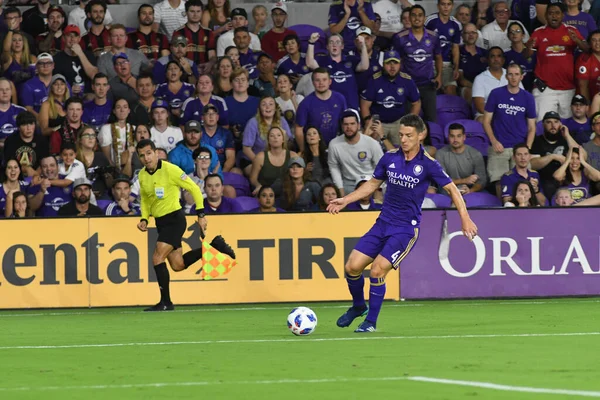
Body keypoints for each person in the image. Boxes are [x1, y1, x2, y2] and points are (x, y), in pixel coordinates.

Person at [327, 114, 477, 333]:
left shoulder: (428, 164)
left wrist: (465, 219)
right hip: (382, 224)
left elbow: (453, 190)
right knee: (352, 267)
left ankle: (370, 322)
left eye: (408, 135)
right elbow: (372, 185)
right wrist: (345, 200)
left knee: (377, 270)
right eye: (400, 135)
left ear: (420, 135)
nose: (403, 139)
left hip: (405, 229)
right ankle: (359, 306)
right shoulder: (389, 158)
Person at [136, 138, 235, 311]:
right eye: (142, 156)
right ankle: (214, 246)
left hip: (174, 219)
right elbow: (145, 199)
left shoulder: (171, 170)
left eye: (149, 153)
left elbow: (195, 189)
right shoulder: (142, 175)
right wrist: (145, 218)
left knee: (157, 258)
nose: (146, 158)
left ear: (156, 153)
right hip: (161, 222)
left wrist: (201, 214)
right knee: (177, 265)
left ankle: (166, 302)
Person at [525, 1, 588, 120]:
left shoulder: (571, 30)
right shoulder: (538, 32)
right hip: (545, 88)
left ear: (563, 15)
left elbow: (587, 49)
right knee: (543, 124)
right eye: (550, 13)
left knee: (568, 126)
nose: (554, 16)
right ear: (546, 16)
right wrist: (528, 47)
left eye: (557, 13)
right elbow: (526, 56)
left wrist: (577, 40)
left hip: (568, 88)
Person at [392, 5, 442, 123]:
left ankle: (431, 141)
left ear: (424, 18)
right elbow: (396, 60)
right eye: (413, 15)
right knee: (409, 119)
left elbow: (438, 57)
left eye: (420, 15)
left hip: (428, 83)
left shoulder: (433, 37)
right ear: (409, 18)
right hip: (408, 84)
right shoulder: (400, 38)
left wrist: (439, 75)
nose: (417, 18)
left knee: (431, 119)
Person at [328, 110, 383, 196]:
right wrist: (340, 189)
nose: (349, 127)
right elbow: (334, 167)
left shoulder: (372, 143)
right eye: (346, 124)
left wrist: (378, 189)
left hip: (370, 181)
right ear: (342, 126)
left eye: (352, 124)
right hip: (349, 183)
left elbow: (381, 166)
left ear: (358, 125)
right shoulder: (334, 144)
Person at [436, 122, 487, 195]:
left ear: (464, 137)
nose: (455, 139)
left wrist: (470, 191)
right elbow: (441, 180)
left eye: (459, 136)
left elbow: (482, 180)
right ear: (448, 137)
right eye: (452, 136)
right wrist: (464, 180)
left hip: (469, 188)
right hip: (448, 189)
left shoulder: (475, 154)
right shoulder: (440, 154)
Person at [425, 0, 461, 96]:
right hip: (430, 63)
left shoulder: (456, 24)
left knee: (451, 90)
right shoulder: (430, 20)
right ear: (438, 6)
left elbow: (455, 48)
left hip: (446, 65)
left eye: (448, 4)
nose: (446, 7)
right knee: (430, 90)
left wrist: (456, 68)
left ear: (452, 6)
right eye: (443, 4)